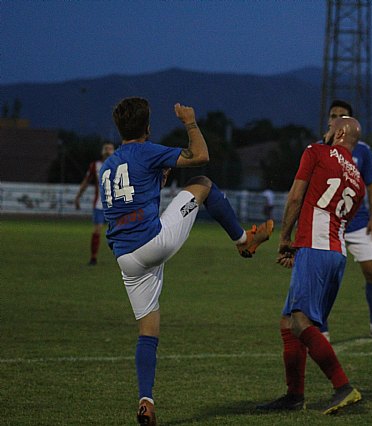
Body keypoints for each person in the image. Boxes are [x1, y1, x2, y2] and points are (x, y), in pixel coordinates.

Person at [100, 97, 273, 425]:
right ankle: (244, 241)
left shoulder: (108, 165)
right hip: (152, 242)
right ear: (147, 128)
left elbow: (128, 198)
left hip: (126, 257)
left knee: (148, 331)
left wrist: (155, 181)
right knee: (204, 184)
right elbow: (201, 156)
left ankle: (146, 401)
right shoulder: (147, 150)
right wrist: (190, 122)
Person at [257, 116, 365, 414]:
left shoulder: (316, 151)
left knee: (301, 322)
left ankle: (343, 387)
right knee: (289, 322)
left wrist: (285, 239)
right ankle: (294, 396)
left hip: (315, 248)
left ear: (340, 132)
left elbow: (296, 197)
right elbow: (337, 216)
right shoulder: (357, 178)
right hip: (336, 253)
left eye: (331, 128)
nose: (326, 131)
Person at [320, 100, 372, 345]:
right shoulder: (319, 149)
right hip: (329, 223)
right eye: (333, 116)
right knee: (327, 277)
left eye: (343, 116)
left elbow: (371, 185)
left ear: (352, 123)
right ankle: (323, 330)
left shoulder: (362, 151)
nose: (337, 120)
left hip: (358, 222)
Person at [74, 141, 115, 265]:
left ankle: (125, 258)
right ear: (102, 151)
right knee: (97, 230)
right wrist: (78, 197)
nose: (108, 151)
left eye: (110, 149)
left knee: (121, 232)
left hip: (116, 205)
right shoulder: (95, 165)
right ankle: (93, 257)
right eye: (106, 148)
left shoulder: (119, 164)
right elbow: (86, 182)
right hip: (99, 204)